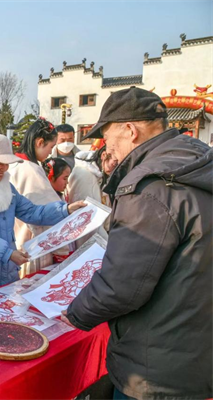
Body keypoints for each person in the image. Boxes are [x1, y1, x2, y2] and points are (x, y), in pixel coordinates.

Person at [63, 87, 213, 400]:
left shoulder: (149, 186)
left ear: (130, 131)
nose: (108, 150)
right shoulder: (196, 165)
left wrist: (75, 312)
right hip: (195, 350)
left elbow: (122, 285)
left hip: (155, 366)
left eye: (108, 139)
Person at [0, 134, 84, 290]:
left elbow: (33, 212)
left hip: (8, 275)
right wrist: (7, 254)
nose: (3, 168)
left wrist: (66, 209)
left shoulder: (8, 188)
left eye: (6, 163)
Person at [9, 118, 69, 275]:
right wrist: (61, 251)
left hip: (16, 243)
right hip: (33, 246)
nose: (51, 152)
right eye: (51, 146)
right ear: (40, 142)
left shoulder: (14, 165)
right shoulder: (30, 170)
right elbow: (49, 215)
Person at [67, 146, 118, 246]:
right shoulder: (84, 176)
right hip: (91, 240)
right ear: (104, 155)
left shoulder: (99, 174)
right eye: (114, 163)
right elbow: (89, 221)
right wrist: (107, 246)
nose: (115, 169)